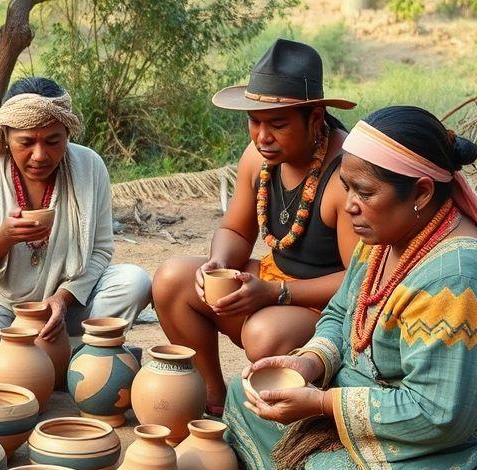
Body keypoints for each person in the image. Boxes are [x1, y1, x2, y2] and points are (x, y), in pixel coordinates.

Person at [224, 106, 477, 470]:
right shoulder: (382, 237)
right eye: (346, 187)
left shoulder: (458, 280)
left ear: (422, 192)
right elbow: (339, 314)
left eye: (364, 192)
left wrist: (322, 406)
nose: (348, 204)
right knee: (243, 396)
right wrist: (310, 362)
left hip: (459, 447)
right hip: (375, 404)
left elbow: (440, 416)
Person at [151, 39, 360, 416]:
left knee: (263, 334)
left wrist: (277, 293)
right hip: (268, 283)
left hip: (323, 308)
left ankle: (284, 413)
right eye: (254, 121)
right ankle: (215, 400)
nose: (262, 136)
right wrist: (217, 263)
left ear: (315, 119)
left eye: (277, 124)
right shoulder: (259, 158)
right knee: (171, 279)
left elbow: (358, 281)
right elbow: (235, 230)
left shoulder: (344, 176)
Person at [0, 76, 152, 373]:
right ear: (6, 136)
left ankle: (41, 362)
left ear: (67, 134)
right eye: (26, 142)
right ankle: (83, 358)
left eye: (53, 141)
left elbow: (100, 251)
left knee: (134, 282)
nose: (40, 155)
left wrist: (62, 298)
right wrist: (1, 238)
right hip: (0, 302)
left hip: (67, 304)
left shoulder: (90, 166)